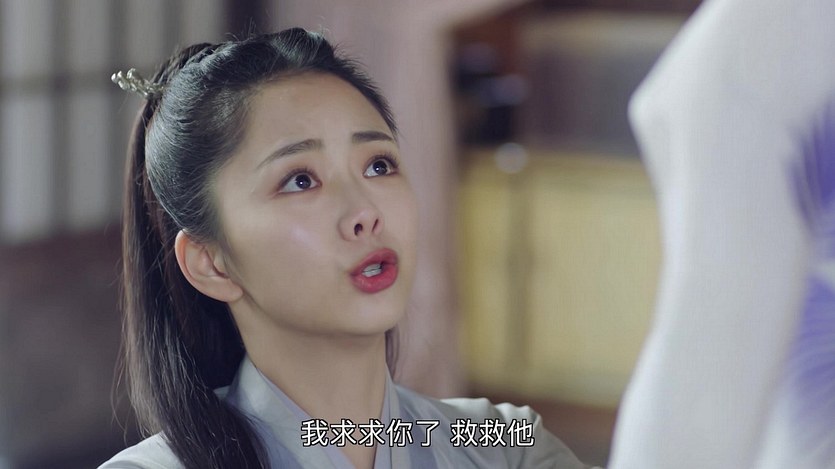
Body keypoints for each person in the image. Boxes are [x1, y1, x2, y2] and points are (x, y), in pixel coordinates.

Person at [101, 28, 591, 469]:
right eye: (300, 180)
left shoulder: (502, 444)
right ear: (212, 264)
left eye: (378, 165)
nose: (365, 211)